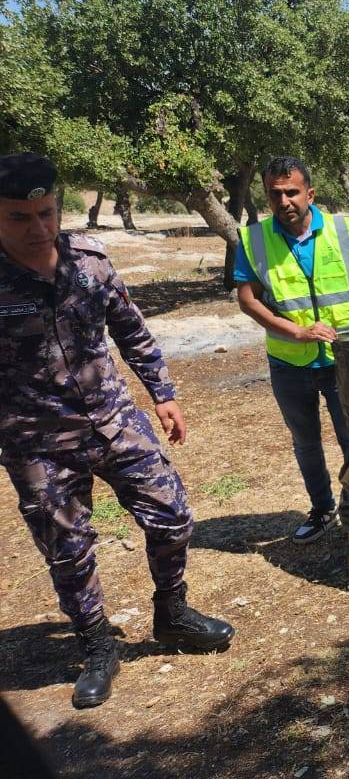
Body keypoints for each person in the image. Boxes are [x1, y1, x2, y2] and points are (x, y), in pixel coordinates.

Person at [0, 152, 234, 709]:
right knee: (69, 551)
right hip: (36, 442)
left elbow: (130, 328)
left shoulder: (89, 261)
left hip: (113, 420)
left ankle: (172, 612)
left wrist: (163, 393)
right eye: (19, 218)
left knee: (173, 515)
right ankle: (97, 646)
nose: (38, 228)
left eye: (47, 212)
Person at [234, 156, 349, 542]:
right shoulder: (254, 239)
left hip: (346, 359)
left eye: (292, 192)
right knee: (306, 441)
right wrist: (296, 332)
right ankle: (323, 509)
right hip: (289, 362)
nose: (284, 201)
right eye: (275, 194)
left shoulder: (343, 230)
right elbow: (248, 299)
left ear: (310, 194)